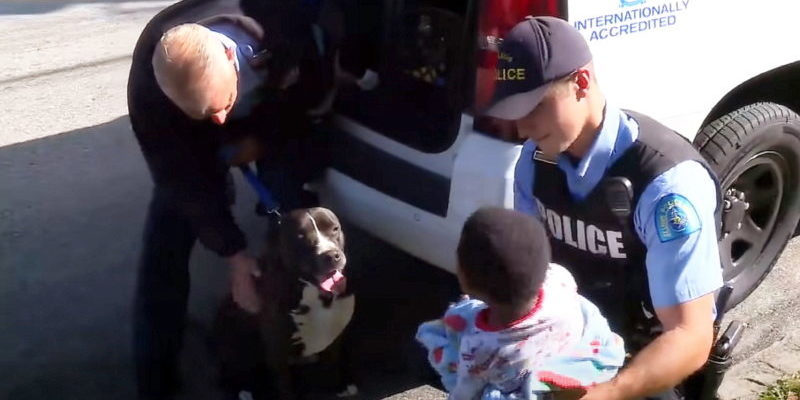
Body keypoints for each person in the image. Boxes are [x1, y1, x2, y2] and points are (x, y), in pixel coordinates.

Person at [482, 16, 724, 400]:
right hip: (569, 346)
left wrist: (606, 394)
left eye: (534, 107)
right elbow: (530, 279)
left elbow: (690, 335)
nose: (522, 130)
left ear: (581, 83)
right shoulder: (535, 160)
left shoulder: (667, 184)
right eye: (514, 112)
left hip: (645, 364)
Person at [127, 0, 336, 398]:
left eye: (223, 106)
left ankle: (306, 341)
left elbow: (313, 98)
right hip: (189, 142)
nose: (221, 120)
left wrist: (262, 141)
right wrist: (233, 252)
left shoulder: (280, 24)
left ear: (230, 52)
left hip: (273, 118)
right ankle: (155, 381)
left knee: (292, 218)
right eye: (209, 114)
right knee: (167, 242)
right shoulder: (150, 88)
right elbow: (179, 177)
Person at [416, 207, 626, 400]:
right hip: (566, 355)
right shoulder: (560, 281)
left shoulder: (481, 346)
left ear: (466, 278)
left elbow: (466, 391)